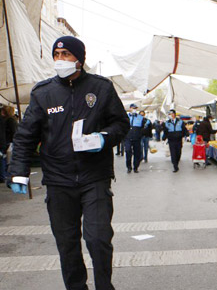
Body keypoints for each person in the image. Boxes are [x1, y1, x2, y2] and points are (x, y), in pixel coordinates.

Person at [7, 36, 129, 290]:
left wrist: (103, 138)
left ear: (79, 59)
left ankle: (104, 286)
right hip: (58, 181)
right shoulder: (43, 93)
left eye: (66, 54)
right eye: (56, 54)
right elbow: (26, 135)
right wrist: (18, 171)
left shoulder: (101, 88)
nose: (60, 60)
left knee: (98, 239)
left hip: (94, 177)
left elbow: (121, 124)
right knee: (67, 243)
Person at [124, 104, 146, 173]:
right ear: (130, 108)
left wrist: (140, 134)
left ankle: (135, 167)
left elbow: (142, 127)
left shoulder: (140, 117)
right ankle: (129, 167)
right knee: (128, 151)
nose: (134, 109)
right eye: (133, 108)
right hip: (128, 137)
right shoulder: (125, 117)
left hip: (137, 138)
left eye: (135, 108)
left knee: (137, 153)